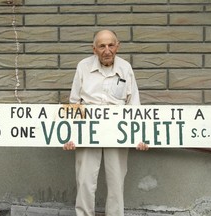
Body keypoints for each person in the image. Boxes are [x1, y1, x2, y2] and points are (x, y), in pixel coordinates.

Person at [63, 29, 148, 216]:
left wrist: (140, 137)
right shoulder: (83, 67)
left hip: (117, 131)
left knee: (116, 180)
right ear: (94, 49)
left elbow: (134, 105)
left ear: (118, 46)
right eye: (102, 46)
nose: (107, 50)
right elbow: (74, 103)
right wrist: (70, 136)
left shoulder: (125, 68)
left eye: (111, 45)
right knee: (84, 180)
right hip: (87, 130)